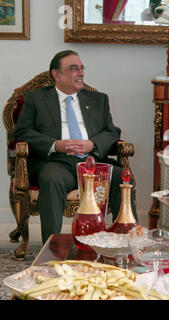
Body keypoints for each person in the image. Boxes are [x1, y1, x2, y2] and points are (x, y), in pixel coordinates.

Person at [14, 50, 138, 243]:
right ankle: (52, 246)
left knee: (122, 178)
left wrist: (92, 144)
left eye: (81, 68)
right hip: (56, 162)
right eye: (74, 69)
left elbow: (112, 131)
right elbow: (22, 132)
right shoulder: (36, 99)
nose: (81, 73)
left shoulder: (98, 100)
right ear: (57, 74)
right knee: (51, 180)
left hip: (92, 162)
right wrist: (56, 145)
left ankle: (126, 242)